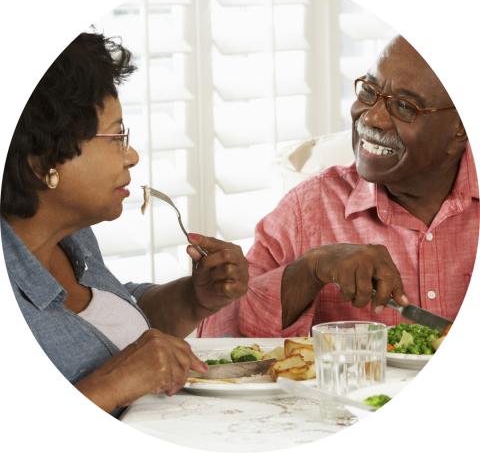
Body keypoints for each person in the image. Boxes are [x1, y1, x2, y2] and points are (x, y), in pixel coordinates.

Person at [1, 30, 249, 418]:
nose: (131, 156)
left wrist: (192, 298)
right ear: (40, 159)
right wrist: (106, 386)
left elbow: (116, 323)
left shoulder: (74, 237)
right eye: (116, 136)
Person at [197, 35, 477, 338]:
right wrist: (310, 269)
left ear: (460, 127)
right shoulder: (309, 208)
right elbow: (218, 338)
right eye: (369, 91)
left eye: (404, 106)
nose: (371, 117)